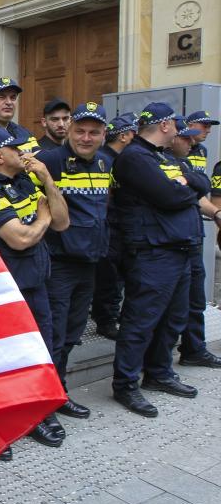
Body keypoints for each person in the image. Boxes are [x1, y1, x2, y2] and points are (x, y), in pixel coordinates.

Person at [0, 126, 69, 452]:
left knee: (43, 349)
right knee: (8, 357)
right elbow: (20, 238)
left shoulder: (24, 181)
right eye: (17, 148)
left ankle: (38, 412)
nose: (26, 153)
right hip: (7, 289)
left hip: (38, 280)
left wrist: (48, 180)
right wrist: (41, 218)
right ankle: (9, 419)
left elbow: (62, 221)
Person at [110, 102, 204, 418]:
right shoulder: (134, 157)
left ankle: (159, 373)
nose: (180, 132)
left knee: (174, 319)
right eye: (176, 126)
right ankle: (125, 385)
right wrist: (184, 188)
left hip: (177, 250)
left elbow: (199, 182)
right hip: (153, 252)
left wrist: (186, 184)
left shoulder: (163, 157)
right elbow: (169, 197)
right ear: (164, 126)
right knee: (141, 321)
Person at [36, 102, 111, 441]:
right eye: (80, 130)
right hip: (59, 264)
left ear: (103, 135)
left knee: (70, 336)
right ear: (70, 130)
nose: (85, 136)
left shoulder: (105, 160)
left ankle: (60, 393)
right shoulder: (50, 160)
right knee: (50, 338)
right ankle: (40, 410)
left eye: (94, 132)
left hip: (90, 263)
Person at [165, 118, 221, 369]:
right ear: (172, 137)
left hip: (193, 238)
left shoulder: (186, 161)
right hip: (169, 245)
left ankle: (193, 349)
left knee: (195, 300)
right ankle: (156, 367)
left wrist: (217, 214)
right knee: (169, 309)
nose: (190, 142)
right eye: (185, 137)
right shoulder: (159, 163)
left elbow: (200, 194)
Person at [91, 113, 137, 339]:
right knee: (108, 277)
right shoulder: (102, 158)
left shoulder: (123, 158)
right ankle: (106, 320)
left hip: (122, 226)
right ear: (124, 136)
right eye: (133, 133)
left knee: (119, 276)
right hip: (107, 226)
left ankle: (112, 316)